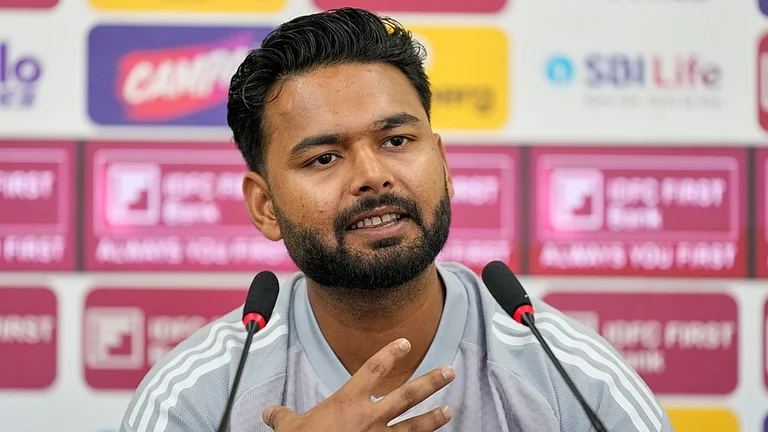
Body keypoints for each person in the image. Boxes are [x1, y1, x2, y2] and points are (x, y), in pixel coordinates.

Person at [120, 7, 674, 432]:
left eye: (396, 140)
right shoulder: (199, 397)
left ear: (444, 164)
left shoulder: (571, 378)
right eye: (323, 158)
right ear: (266, 206)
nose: (372, 175)